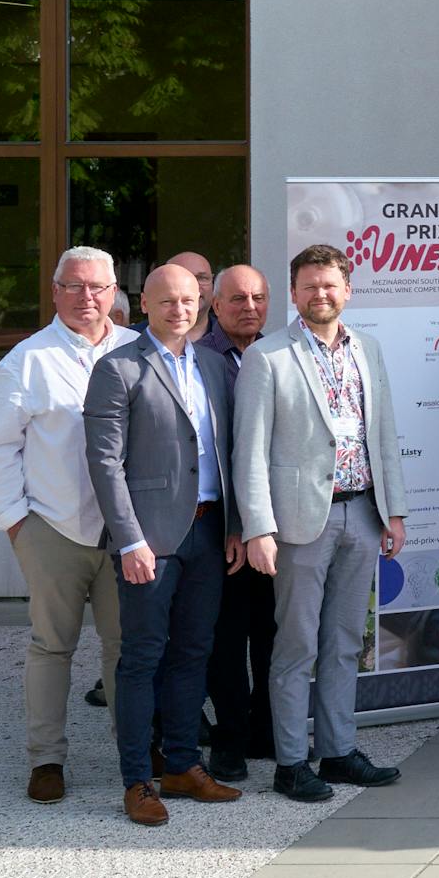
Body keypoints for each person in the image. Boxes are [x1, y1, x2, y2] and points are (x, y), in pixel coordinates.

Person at [232, 244, 409, 802]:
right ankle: (290, 762)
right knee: (296, 645)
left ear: (347, 290)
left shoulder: (368, 349)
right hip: (299, 523)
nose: (320, 294)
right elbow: (249, 451)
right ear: (294, 292)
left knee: (344, 642)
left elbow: (383, 434)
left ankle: (337, 751)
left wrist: (394, 510)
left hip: (363, 512)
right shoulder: (268, 357)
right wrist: (258, 528)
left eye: (330, 285)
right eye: (309, 286)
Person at [84, 263, 244, 825]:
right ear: (145, 304)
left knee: (193, 653)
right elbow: (105, 463)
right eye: (168, 300)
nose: (180, 309)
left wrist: (235, 526)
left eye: (189, 299)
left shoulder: (213, 364)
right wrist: (129, 540)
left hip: (209, 530)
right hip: (148, 539)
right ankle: (137, 780)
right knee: (141, 658)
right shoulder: (118, 367)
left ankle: (181, 766)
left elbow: (228, 453)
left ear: (201, 304)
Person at [0, 247, 137, 805]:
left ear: (114, 292)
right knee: (52, 647)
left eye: (97, 287)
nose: (86, 297)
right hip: (52, 529)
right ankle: (46, 759)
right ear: (54, 292)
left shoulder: (137, 350)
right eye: (73, 286)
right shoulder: (26, 361)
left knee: (127, 648)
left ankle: (134, 753)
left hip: (126, 534)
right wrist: (19, 526)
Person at [197, 263, 277, 780]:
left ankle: (266, 728)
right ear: (216, 305)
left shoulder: (280, 354)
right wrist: (235, 524)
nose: (249, 307)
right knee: (225, 636)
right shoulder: (200, 360)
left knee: (272, 632)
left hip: (275, 524)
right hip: (222, 528)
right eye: (238, 298)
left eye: (258, 297)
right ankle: (229, 737)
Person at [166, 251, 216, 338]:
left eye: (202, 278)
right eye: (183, 278)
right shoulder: (140, 336)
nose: (194, 285)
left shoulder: (231, 337)